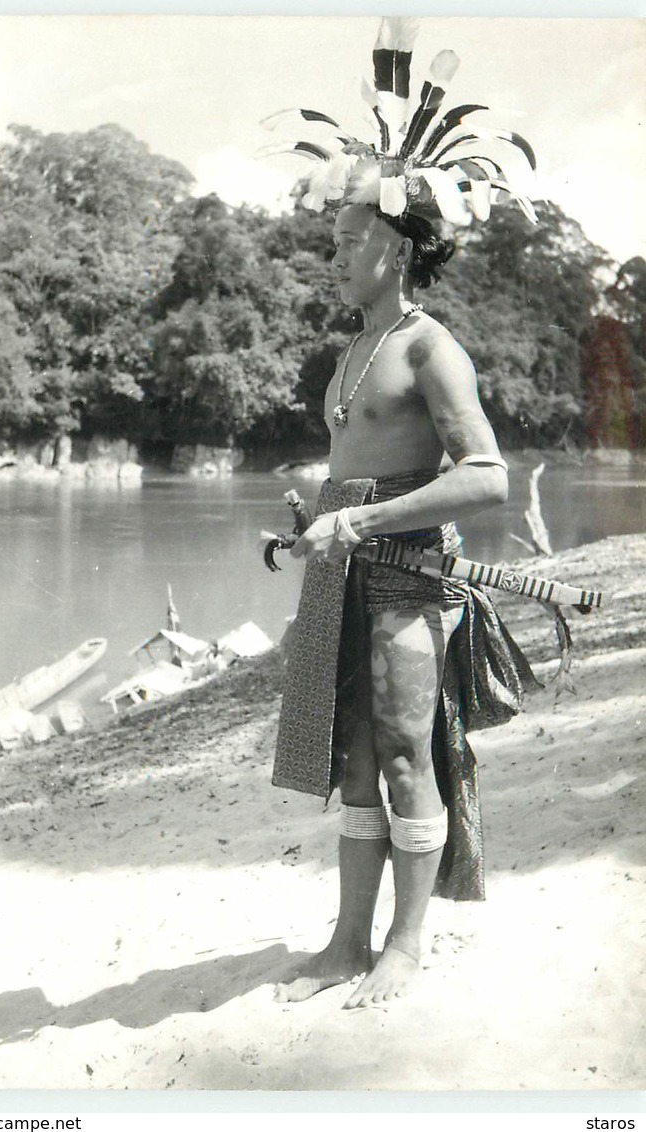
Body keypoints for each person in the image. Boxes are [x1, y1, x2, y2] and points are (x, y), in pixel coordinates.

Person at [264, 17, 539, 1009]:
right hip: (340, 565)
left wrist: (363, 521)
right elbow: (358, 457)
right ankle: (344, 939)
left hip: (409, 577)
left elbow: (485, 477)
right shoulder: (351, 352)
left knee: (401, 748)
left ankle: (407, 944)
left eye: (344, 239)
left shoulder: (432, 348)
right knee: (346, 758)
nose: (332, 253)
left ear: (389, 246)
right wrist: (313, 501)